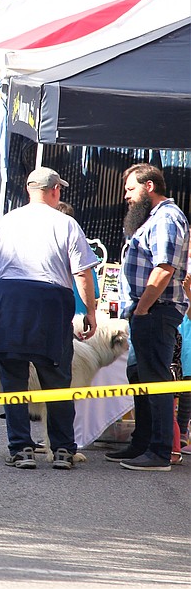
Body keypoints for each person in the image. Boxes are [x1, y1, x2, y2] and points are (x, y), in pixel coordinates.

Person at [0, 167, 99, 470]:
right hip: (49, 301)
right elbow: (82, 272)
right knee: (57, 378)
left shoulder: (7, 221)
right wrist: (90, 312)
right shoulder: (66, 223)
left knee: (14, 379)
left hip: (10, 298)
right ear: (55, 190)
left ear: (28, 189)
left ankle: (21, 449)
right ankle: (62, 450)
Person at [109, 163, 189, 471]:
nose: (127, 196)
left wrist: (142, 308)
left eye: (131, 189)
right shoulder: (154, 218)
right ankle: (141, 444)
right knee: (139, 376)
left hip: (156, 311)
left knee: (155, 380)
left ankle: (159, 452)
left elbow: (164, 268)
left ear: (149, 187)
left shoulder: (167, 218)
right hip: (146, 312)